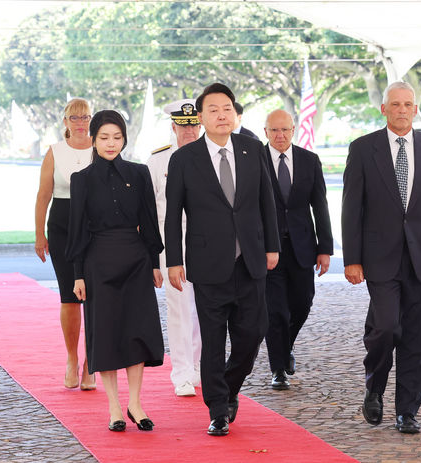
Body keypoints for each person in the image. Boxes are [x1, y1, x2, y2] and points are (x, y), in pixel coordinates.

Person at [165, 83, 279, 436]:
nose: (221, 115)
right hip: (208, 262)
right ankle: (217, 409)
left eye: (227, 108)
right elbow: (173, 215)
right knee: (213, 340)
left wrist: (272, 245)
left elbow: (266, 202)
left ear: (235, 113)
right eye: (213, 109)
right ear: (201, 117)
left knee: (253, 332)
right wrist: (173, 260)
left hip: (251, 260)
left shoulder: (253, 149)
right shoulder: (184, 159)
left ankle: (229, 387)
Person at [342, 81, 421, 434]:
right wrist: (352, 258)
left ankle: (407, 410)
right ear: (384, 109)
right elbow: (351, 208)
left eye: (408, 104)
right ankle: (374, 386)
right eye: (396, 104)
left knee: (417, 337)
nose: (402, 109)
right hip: (379, 257)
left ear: (416, 109)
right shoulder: (363, 149)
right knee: (387, 327)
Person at [66, 110, 165, 432]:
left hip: (136, 260)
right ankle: (113, 408)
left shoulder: (138, 173)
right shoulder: (81, 180)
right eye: (104, 138)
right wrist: (78, 274)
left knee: (136, 331)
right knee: (106, 334)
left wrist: (154, 263)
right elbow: (77, 230)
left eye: (117, 137)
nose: (111, 144)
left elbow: (150, 221)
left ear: (125, 139)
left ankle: (135, 403)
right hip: (98, 263)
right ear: (93, 140)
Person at [262, 109, 333, 390]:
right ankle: (278, 368)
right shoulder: (254, 160)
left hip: (303, 246)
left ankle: (285, 346)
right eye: (274, 130)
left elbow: (321, 206)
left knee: (302, 303)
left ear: (293, 130)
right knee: (275, 310)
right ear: (265, 132)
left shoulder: (309, 160)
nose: (280, 136)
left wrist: (325, 248)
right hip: (268, 248)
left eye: (285, 130)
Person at [34, 98, 96, 391]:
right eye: (75, 117)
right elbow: (43, 195)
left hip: (97, 226)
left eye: (85, 117)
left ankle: (91, 364)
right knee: (69, 295)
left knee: (96, 297)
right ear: (65, 122)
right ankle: (72, 358)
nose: (81, 122)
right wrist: (38, 234)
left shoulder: (102, 146)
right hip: (60, 225)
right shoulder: (55, 152)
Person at [147, 99, 203, 397]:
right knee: (180, 310)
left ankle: (197, 366)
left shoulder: (210, 156)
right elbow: (150, 212)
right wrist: (154, 259)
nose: (190, 130)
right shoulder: (158, 161)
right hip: (172, 246)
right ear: (173, 127)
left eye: (194, 124)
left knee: (204, 309)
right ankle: (181, 372)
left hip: (207, 244)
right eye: (184, 126)